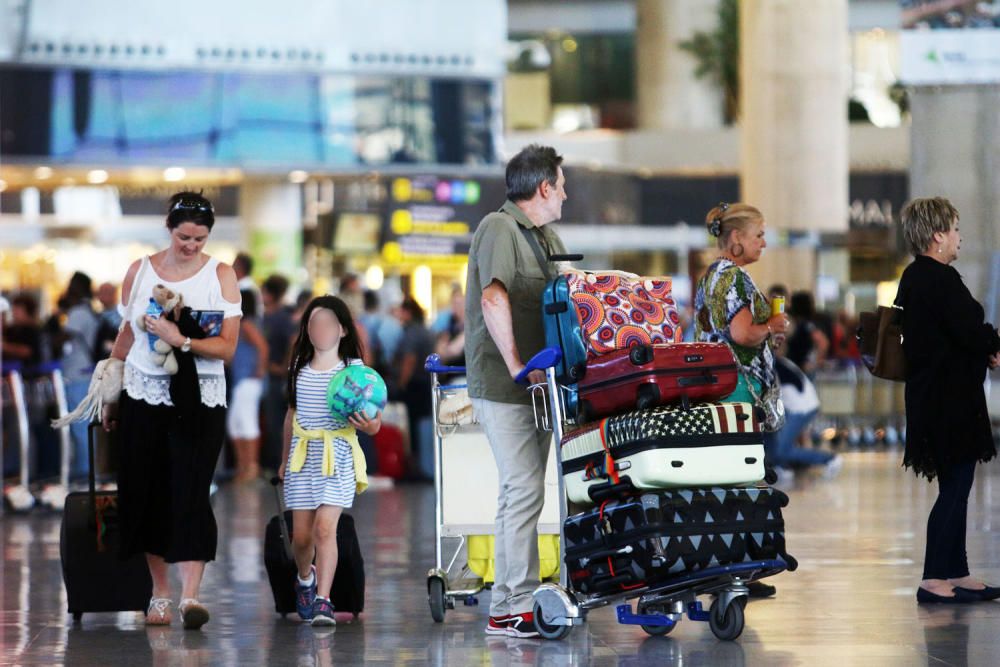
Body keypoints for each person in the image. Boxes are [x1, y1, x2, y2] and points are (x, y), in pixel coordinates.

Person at [102, 191, 242, 629]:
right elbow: (125, 336)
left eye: (199, 239)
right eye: (184, 236)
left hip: (199, 398)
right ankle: (159, 594)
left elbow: (227, 347)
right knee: (145, 492)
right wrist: (110, 388)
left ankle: (191, 596)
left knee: (191, 492)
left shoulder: (221, 275)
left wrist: (179, 338)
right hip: (145, 393)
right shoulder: (139, 271)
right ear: (169, 228)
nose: (191, 246)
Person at [465, 144, 568, 638]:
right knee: (523, 488)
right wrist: (515, 365)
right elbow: (493, 296)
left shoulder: (546, 238)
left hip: (537, 386)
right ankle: (512, 603)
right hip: (505, 385)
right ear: (544, 187)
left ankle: (510, 599)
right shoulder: (499, 228)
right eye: (562, 185)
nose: (565, 195)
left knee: (523, 492)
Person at [895, 197, 1000, 604]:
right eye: (954, 228)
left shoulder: (914, 277)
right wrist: (991, 345)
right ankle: (934, 576)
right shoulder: (939, 279)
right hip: (948, 402)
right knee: (955, 488)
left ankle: (955, 570)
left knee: (956, 485)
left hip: (932, 397)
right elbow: (969, 330)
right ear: (937, 235)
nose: (959, 237)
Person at [694, 201, 789, 599]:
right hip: (738, 392)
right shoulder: (732, 279)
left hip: (715, 389)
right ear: (735, 238)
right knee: (743, 479)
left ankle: (729, 570)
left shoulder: (710, 277)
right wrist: (773, 326)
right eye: (758, 234)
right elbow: (743, 334)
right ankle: (736, 572)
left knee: (726, 481)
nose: (764, 243)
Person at [278, 295, 381, 626]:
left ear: (342, 330)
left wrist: (370, 425)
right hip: (302, 459)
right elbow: (290, 417)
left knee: (326, 529)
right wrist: (282, 461)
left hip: (337, 457)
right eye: (313, 324)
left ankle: (324, 600)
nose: (320, 329)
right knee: (302, 539)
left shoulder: (355, 371)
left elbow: (375, 420)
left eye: (327, 323)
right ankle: (304, 580)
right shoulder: (298, 369)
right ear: (307, 331)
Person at [59, 271, 101, 481]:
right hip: (85, 372)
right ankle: (87, 467)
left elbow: (63, 337)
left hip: (78, 373)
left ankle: (86, 469)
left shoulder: (78, 312)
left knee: (79, 426)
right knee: (83, 424)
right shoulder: (89, 310)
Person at [390, 296, 435, 480]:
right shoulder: (424, 330)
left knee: (413, 426)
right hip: (424, 384)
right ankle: (424, 465)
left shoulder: (412, 332)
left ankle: (415, 467)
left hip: (414, 386)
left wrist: (401, 383)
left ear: (408, 312)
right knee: (421, 425)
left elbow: (409, 359)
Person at [227, 289, 269, 482]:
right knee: (237, 423)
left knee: (245, 422)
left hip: (248, 379)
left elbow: (262, 347)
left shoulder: (246, 325)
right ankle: (244, 466)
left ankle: (250, 467)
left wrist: (259, 369)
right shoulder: (247, 324)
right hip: (243, 379)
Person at [260, 274, 296, 473]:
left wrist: (284, 367)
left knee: (278, 423)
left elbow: (293, 340)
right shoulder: (278, 316)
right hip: (274, 376)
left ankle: (281, 466)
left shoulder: (279, 318)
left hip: (277, 378)